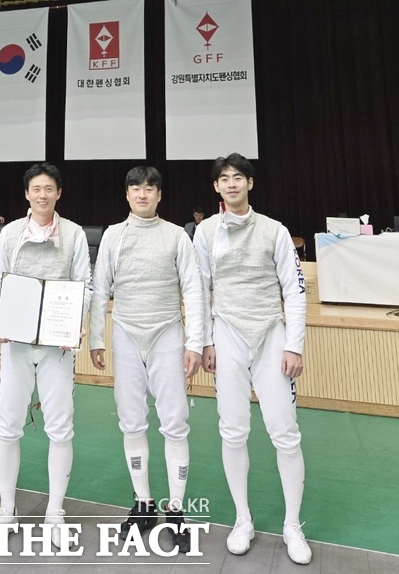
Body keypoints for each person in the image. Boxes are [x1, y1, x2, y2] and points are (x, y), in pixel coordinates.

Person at [193, 153, 311, 564]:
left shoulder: (275, 230)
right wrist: (204, 341)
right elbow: (199, 289)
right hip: (226, 334)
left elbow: (294, 290)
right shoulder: (205, 231)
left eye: (238, 177)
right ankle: (243, 519)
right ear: (216, 186)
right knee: (233, 431)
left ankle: (292, 525)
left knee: (285, 431)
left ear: (250, 183)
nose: (231, 184)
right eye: (224, 178)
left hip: (270, 335)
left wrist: (294, 345)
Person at [89, 166, 203, 554]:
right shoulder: (113, 235)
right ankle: (143, 503)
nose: (142, 194)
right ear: (127, 194)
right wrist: (97, 338)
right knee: (131, 420)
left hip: (167, 332)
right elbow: (100, 288)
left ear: (159, 195)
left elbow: (194, 289)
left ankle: (176, 509)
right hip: (125, 333)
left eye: (150, 188)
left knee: (175, 422)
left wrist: (195, 342)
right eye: (136, 188)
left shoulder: (176, 236)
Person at [0, 162, 92, 549]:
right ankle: (6, 510)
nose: (42, 195)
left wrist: (75, 321)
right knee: (7, 426)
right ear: (27, 194)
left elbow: (85, 284)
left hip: (56, 348)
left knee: (60, 428)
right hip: (16, 343)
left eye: (49, 189)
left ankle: (54, 512)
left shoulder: (74, 234)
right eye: (36, 189)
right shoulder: (11, 233)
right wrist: (2, 318)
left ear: (58, 193)